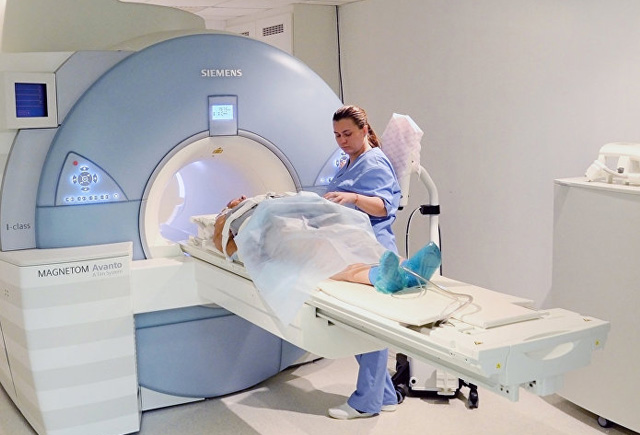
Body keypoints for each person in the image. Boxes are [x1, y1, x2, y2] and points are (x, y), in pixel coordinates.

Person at [321, 105, 405, 420]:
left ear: (364, 129)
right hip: (352, 250)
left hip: (373, 250)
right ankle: (385, 396)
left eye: (347, 133)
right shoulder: (349, 161)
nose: (342, 140)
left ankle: (365, 403)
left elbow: (384, 207)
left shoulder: (374, 161)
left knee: (368, 329)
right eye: (337, 135)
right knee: (358, 327)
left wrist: (354, 198)